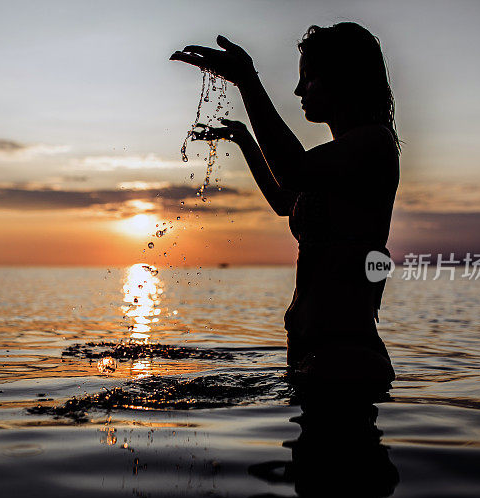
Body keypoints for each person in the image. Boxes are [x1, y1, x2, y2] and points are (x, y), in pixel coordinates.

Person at [171, 23, 399, 385]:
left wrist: (248, 80)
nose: (297, 90)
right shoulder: (338, 161)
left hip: (348, 360)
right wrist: (246, 140)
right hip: (315, 356)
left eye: (309, 77)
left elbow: (294, 170)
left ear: (343, 78)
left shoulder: (374, 144)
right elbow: (284, 200)